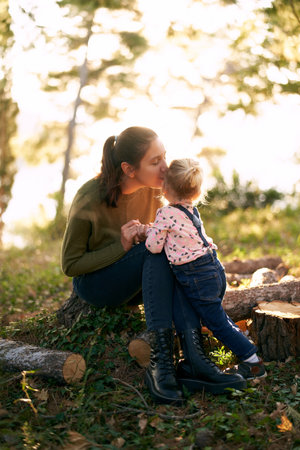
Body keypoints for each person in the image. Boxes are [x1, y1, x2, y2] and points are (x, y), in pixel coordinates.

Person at [61, 127, 244, 406]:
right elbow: (71, 264)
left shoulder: (154, 191)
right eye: (155, 161)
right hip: (98, 284)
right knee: (156, 253)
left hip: (142, 279)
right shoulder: (89, 196)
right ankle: (162, 360)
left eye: (165, 156)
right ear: (129, 169)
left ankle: (193, 357)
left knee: (175, 256)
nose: (165, 167)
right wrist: (120, 246)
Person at [145, 158, 267, 385]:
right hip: (213, 269)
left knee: (216, 322)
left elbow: (154, 246)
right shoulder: (191, 210)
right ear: (197, 190)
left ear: (165, 187)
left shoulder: (165, 213)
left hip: (197, 275)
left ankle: (252, 362)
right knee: (217, 317)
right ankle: (211, 354)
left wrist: (147, 232)